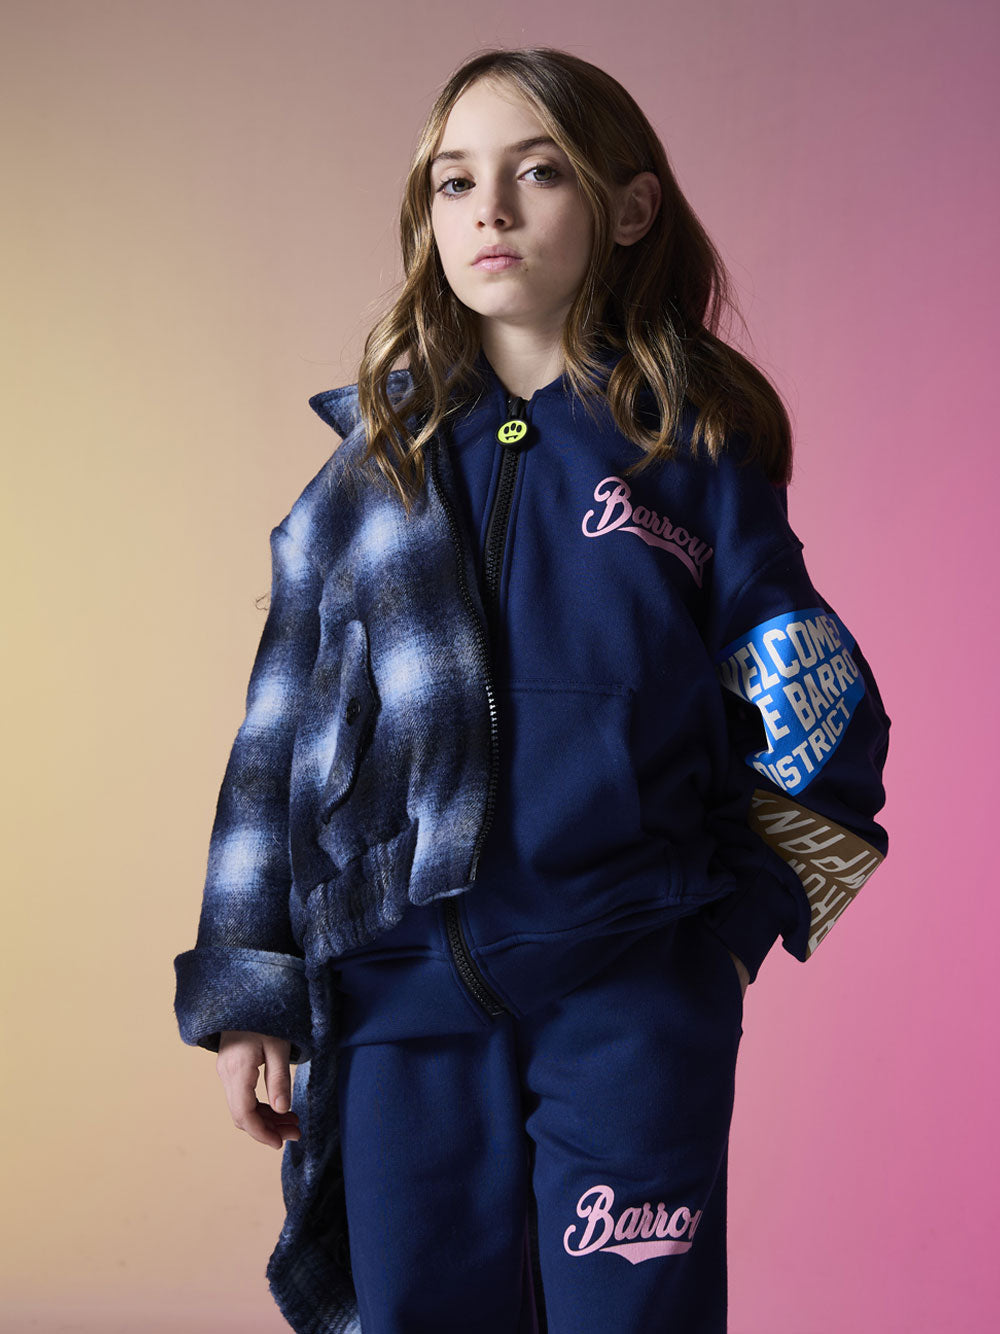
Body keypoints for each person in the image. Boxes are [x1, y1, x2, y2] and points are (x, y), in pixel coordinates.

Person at [173, 46, 891, 1334]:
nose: (490, 210)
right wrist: (249, 991)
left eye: (539, 172)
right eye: (455, 182)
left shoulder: (690, 455)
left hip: (631, 991)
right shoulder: (371, 477)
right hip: (397, 1000)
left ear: (630, 208)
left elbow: (821, 709)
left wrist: (728, 942)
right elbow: (276, 741)